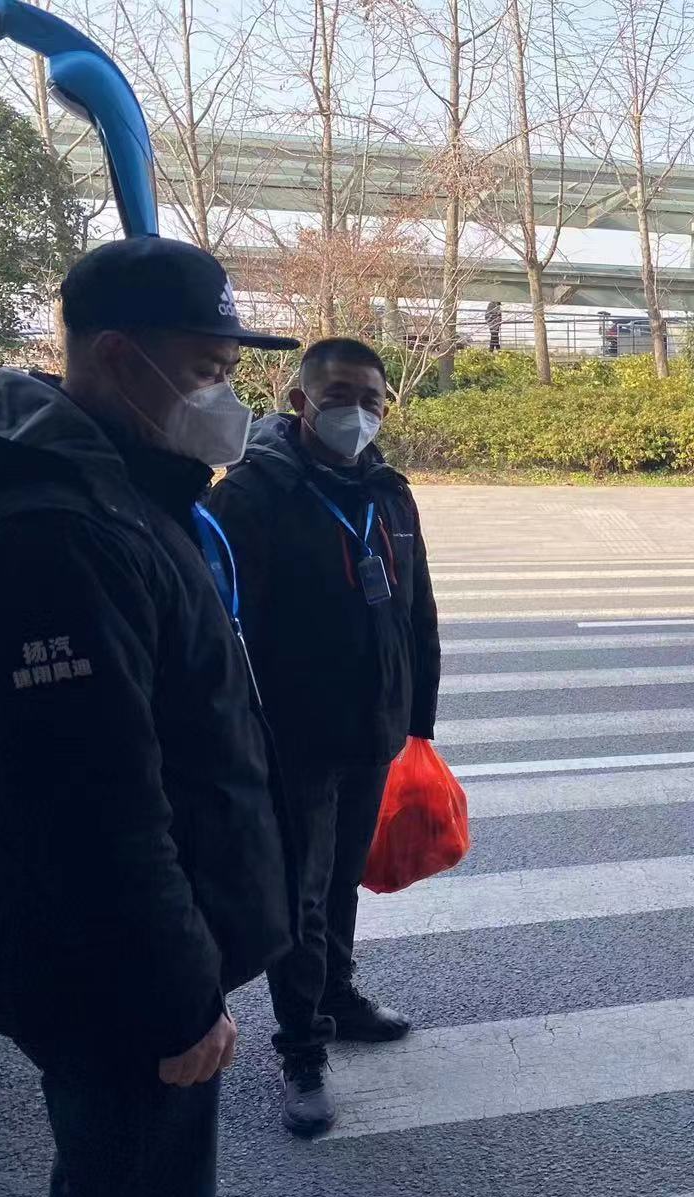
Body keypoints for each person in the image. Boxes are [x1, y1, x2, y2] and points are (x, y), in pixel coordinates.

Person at [0, 237, 297, 1197]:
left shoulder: (121, 490)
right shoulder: (53, 533)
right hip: (120, 988)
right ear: (121, 358)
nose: (227, 398)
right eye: (209, 369)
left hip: (127, 969)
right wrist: (178, 999)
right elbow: (93, 810)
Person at [206, 337, 441, 1138]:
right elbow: (227, 633)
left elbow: (416, 610)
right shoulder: (252, 495)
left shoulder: (387, 492)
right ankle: (301, 1050)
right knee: (300, 897)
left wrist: (416, 722)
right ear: (300, 400)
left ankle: (337, 996)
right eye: (340, 396)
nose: (358, 412)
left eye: (373, 399)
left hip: (371, 727)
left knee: (342, 877)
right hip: (292, 738)